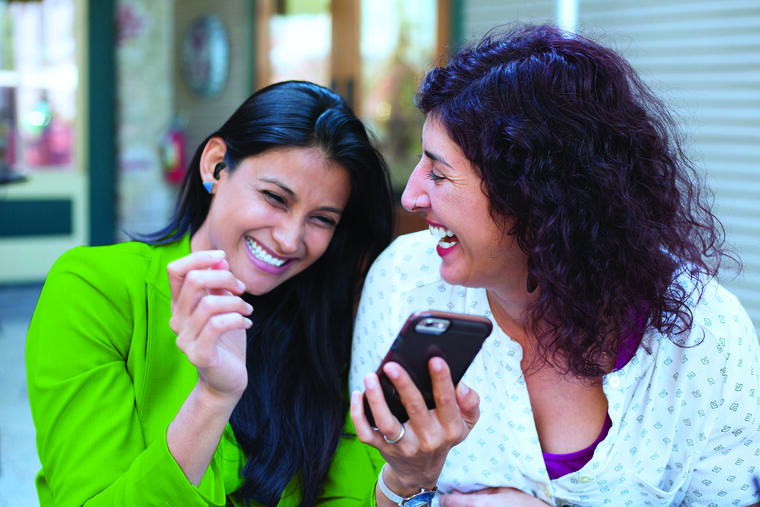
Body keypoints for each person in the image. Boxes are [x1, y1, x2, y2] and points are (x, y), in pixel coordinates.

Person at [349, 25, 760, 506]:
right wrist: (408, 480)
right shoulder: (402, 283)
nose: (411, 196)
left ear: (538, 199)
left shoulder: (703, 332)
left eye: (439, 173)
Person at [26, 80, 393, 506]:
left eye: (322, 219)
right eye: (275, 198)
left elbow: (349, 497)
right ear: (216, 166)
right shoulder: (94, 290)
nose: (291, 239)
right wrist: (213, 397)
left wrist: (404, 479)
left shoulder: (322, 322)